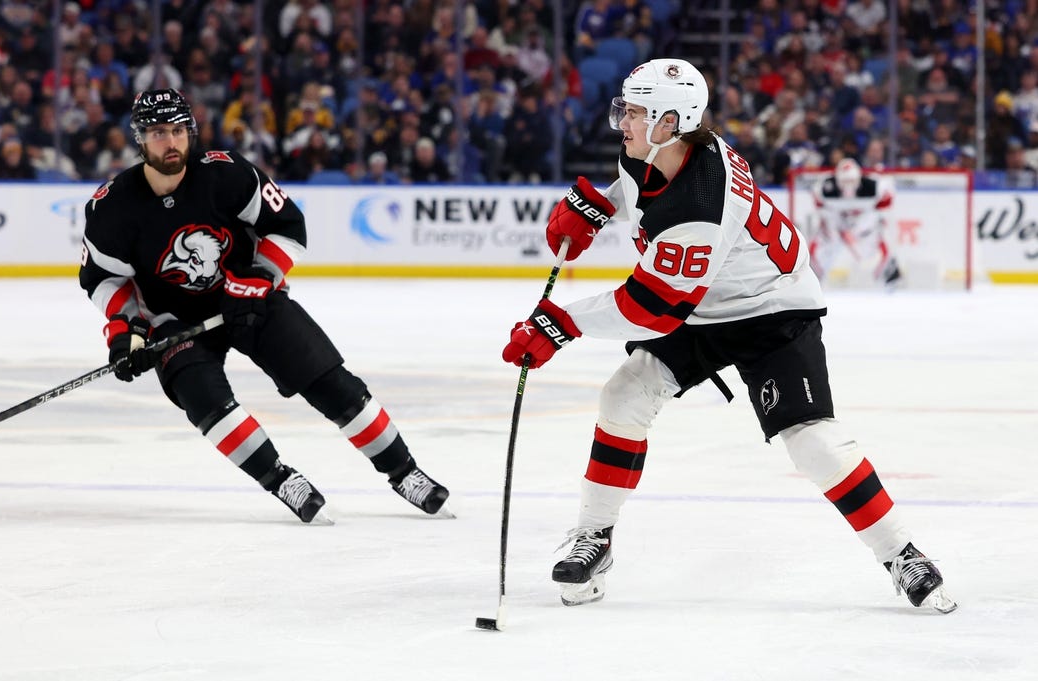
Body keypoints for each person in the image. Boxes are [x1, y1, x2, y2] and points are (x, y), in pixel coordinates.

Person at [501, 59, 955, 612]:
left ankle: (901, 553)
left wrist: (557, 324)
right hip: (703, 300)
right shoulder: (656, 148)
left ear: (671, 122)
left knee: (811, 441)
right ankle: (595, 536)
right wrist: (600, 206)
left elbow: (649, 308)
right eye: (626, 108)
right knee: (623, 396)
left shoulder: (701, 205)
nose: (622, 121)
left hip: (770, 309)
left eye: (636, 112)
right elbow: (638, 189)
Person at [79, 89, 451, 524]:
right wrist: (125, 331)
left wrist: (258, 278)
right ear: (140, 138)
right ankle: (281, 479)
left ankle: (404, 471)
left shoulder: (226, 173)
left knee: (329, 380)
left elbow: (288, 226)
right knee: (205, 401)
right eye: (159, 132)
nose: (171, 142)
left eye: (178, 130)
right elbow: (105, 279)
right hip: (174, 321)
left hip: (248, 299)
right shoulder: (112, 207)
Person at [808, 157, 902, 287]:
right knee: (820, 244)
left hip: (864, 225)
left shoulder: (873, 187)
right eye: (845, 181)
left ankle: (889, 273)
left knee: (883, 235)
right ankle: (813, 277)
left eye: (851, 181)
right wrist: (836, 227)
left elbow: (884, 206)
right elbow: (821, 209)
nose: (848, 185)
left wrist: (860, 226)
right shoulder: (825, 188)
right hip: (837, 222)